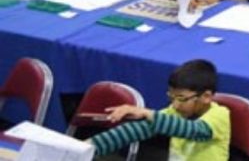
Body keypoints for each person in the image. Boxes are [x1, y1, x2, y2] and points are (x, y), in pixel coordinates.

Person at [88, 60, 232, 160]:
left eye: (181, 98)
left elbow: (194, 131)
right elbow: (136, 130)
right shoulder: (176, 112)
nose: (175, 104)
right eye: (171, 97)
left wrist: (147, 113)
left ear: (206, 96)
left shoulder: (220, 115)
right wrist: (86, 147)